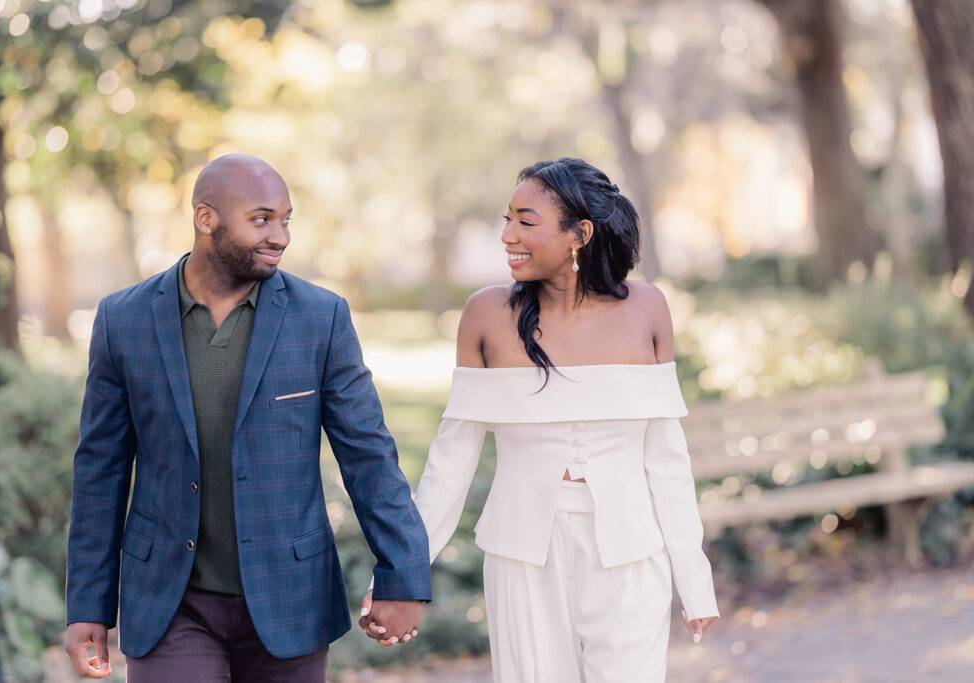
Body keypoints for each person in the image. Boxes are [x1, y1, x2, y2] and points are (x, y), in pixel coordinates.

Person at [63, 153, 428, 681]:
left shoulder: (321, 318)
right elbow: (100, 469)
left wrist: (404, 575)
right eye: (261, 219)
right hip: (169, 601)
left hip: (290, 595)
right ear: (205, 218)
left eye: (286, 219)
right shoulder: (124, 320)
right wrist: (87, 607)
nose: (280, 235)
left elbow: (369, 454)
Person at [362, 158, 719, 681]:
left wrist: (693, 577)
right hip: (521, 557)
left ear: (580, 234)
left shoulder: (648, 309)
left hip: (631, 552)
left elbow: (666, 457)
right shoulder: (486, 315)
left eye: (525, 222)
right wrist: (405, 572)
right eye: (506, 219)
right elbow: (452, 460)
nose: (507, 235)